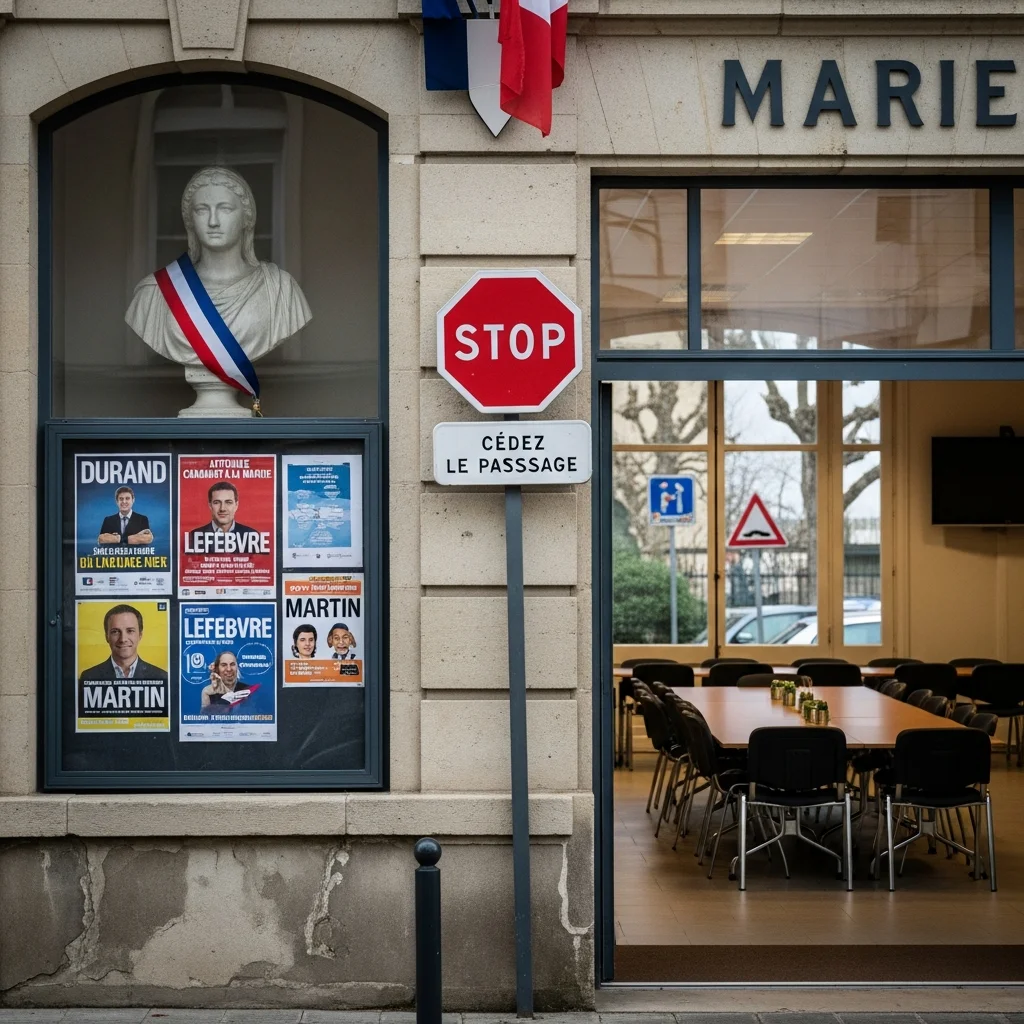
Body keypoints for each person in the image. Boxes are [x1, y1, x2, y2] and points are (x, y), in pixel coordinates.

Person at [79, 604, 167, 682]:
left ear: (140, 635)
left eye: (130, 631)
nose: (123, 639)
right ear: (107, 636)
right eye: (115, 631)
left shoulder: (161, 677)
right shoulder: (89, 677)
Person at [187, 481, 260, 541]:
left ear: (236, 505)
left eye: (228, 502)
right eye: (217, 502)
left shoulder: (252, 536)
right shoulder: (194, 537)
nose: (222, 508)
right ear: (210, 505)